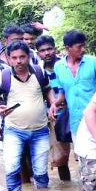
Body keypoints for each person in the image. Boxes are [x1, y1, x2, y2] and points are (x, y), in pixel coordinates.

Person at [0, 41, 57, 191]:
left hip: (40, 130)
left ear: (28, 56)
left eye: (22, 57)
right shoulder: (2, 78)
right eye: (14, 58)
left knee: (41, 172)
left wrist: (53, 103)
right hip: (14, 131)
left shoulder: (40, 73)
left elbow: (48, 90)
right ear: (9, 58)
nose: (18, 61)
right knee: (12, 168)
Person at [53, 30, 96, 144]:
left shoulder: (94, 63)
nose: (83, 49)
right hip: (75, 123)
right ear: (68, 48)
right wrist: (55, 104)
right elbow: (63, 92)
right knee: (81, 159)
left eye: (84, 46)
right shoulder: (58, 67)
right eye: (79, 46)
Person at [36, 35, 72, 181]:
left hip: (73, 113)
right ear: (38, 53)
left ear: (55, 49)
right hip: (53, 116)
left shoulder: (66, 66)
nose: (47, 53)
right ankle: (67, 187)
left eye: (49, 49)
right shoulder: (38, 71)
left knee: (84, 154)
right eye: (42, 50)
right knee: (60, 158)